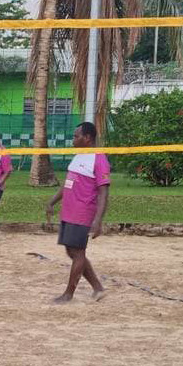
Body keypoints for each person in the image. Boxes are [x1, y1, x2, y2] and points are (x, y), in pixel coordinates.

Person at [43, 121, 108, 303]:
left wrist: (98, 220)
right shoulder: (79, 156)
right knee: (71, 251)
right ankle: (98, 288)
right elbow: (67, 184)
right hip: (69, 211)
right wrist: (52, 202)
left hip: (83, 212)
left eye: (76, 136)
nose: (73, 139)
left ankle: (68, 294)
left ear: (87, 138)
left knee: (77, 252)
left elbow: (104, 193)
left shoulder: (99, 158)